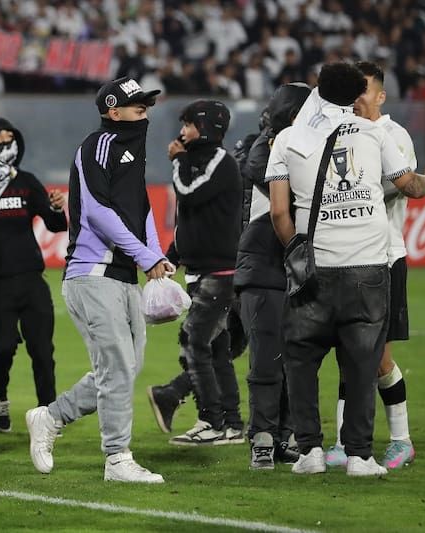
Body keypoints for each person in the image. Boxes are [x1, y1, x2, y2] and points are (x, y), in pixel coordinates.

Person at [266, 62, 425, 477]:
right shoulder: (376, 133)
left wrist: (297, 249)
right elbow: (410, 187)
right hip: (367, 267)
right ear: (355, 95)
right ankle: (360, 457)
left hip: (315, 268)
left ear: (318, 91)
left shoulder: (289, 139)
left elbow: (278, 212)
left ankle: (309, 452)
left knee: (302, 360)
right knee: (363, 363)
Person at [25, 76, 171, 483]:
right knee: (119, 368)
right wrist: (146, 256)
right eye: (135, 103)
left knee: (124, 368)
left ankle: (50, 417)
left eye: (145, 103)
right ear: (112, 110)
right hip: (92, 274)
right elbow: (97, 214)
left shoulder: (134, 149)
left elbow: (140, 210)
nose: (144, 109)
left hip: (123, 276)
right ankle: (117, 459)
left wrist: (155, 254)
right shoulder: (98, 145)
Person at [325, 61, 418, 470]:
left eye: (364, 91)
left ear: (380, 96)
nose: (356, 98)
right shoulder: (341, 130)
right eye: (352, 91)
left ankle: (401, 439)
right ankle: (346, 443)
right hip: (348, 257)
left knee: (376, 354)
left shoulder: (394, 136)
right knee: (349, 351)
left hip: (386, 254)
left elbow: (400, 184)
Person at [146, 100, 244, 447]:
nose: (182, 131)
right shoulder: (200, 162)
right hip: (206, 269)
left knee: (194, 341)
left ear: (205, 128)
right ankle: (231, 424)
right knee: (216, 348)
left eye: (188, 124)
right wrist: (172, 256)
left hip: (220, 271)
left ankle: (210, 422)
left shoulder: (219, 161)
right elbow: (193, 218)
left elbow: (189, 193)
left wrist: (178, 160)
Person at [234, 82, 311, 469]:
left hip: (291, 267)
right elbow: (264, 173)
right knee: (266, 358)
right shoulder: (263, 149)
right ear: (293, 115)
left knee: (293, 358)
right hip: (263, 267)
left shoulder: (295, 147)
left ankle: (286, 435)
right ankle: (262, 437)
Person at [0, 115, 67, 433]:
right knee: (2, 347)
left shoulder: (26, 181)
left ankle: (49, 414)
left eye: (9, 137)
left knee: (43, 350)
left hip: (31, 278)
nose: (5, 142)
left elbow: (57, 226)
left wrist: (57, 207)